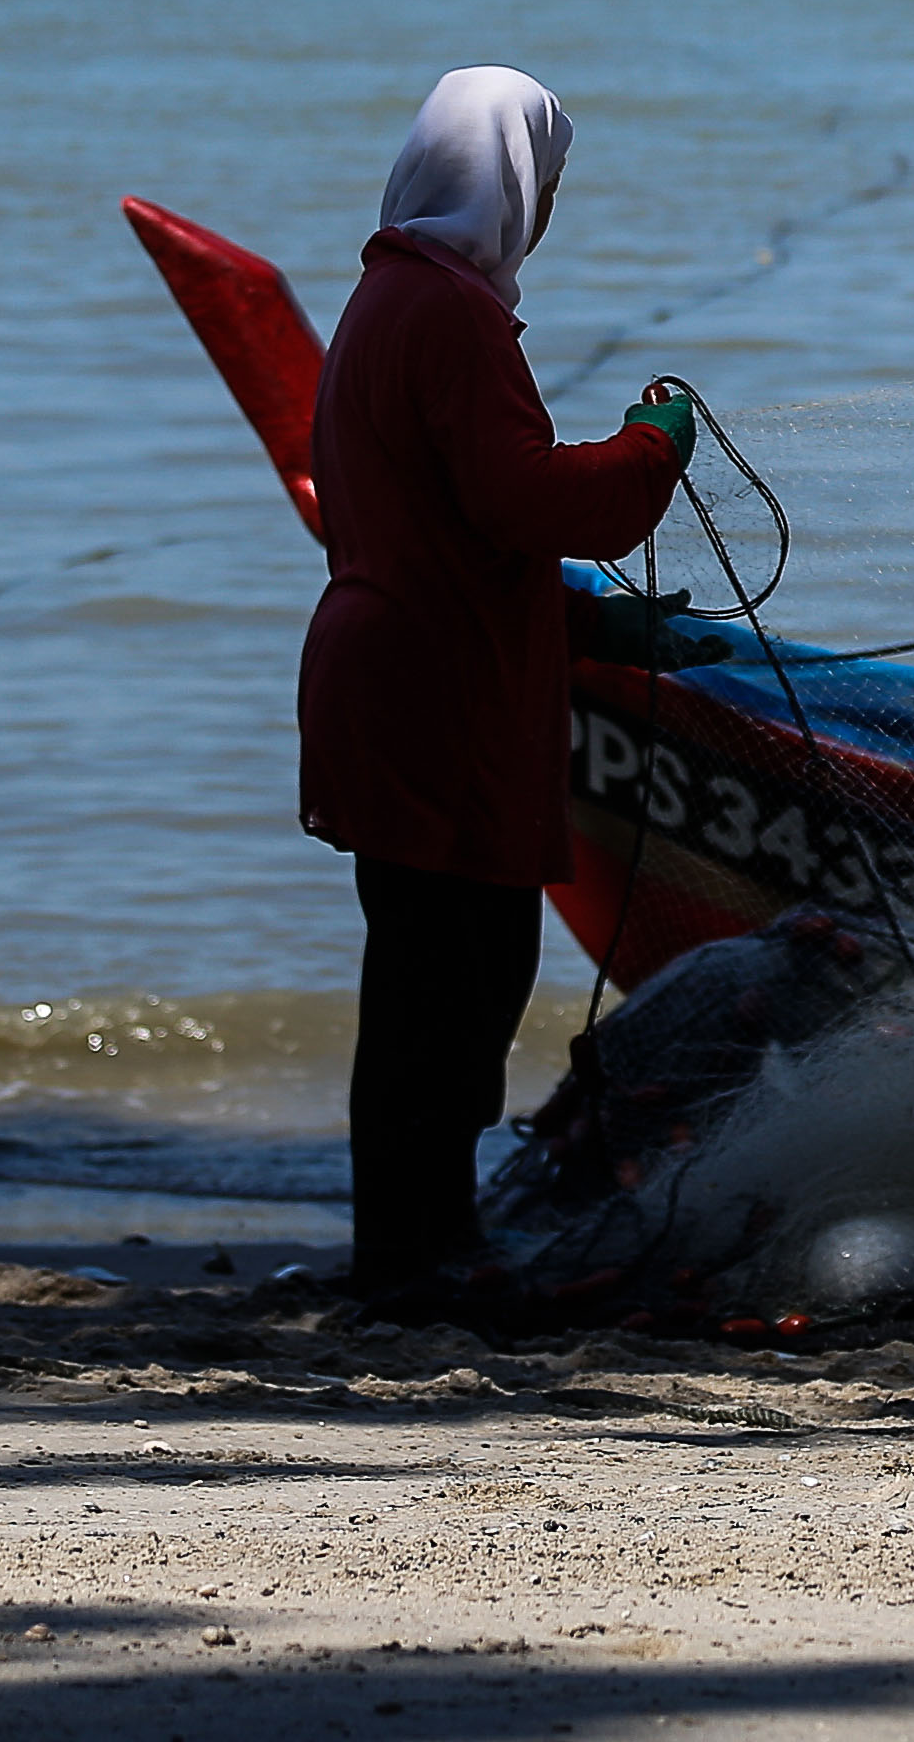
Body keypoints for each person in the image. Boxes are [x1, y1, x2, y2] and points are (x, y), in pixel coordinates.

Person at [295, 66, 695, 1302]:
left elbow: (452, 518)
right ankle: (421, 1257)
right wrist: (651, 447)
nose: (552, 206)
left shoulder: (388, 296)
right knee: (453, 983)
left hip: (402, 665)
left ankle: (411, 1243)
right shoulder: (451, 315)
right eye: (549, 182)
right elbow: (529, 498)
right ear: (510, 185)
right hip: (433, 692)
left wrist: (599, 632)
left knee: (434, 974)